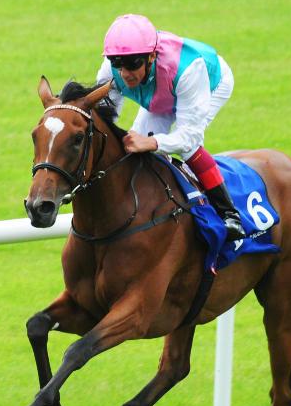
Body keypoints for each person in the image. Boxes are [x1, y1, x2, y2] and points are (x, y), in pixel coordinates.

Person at [96, 14, 246, 240]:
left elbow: (188, 136)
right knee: (134, 151)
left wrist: (153, 142)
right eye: (117, 63)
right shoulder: (111, 70)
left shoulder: (188, 70)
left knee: (187, 148)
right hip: (160, 92)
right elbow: (104, 116)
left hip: (209, 83)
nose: (124, 73)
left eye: (133, 63)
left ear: (151, 56)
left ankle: (229, 214)